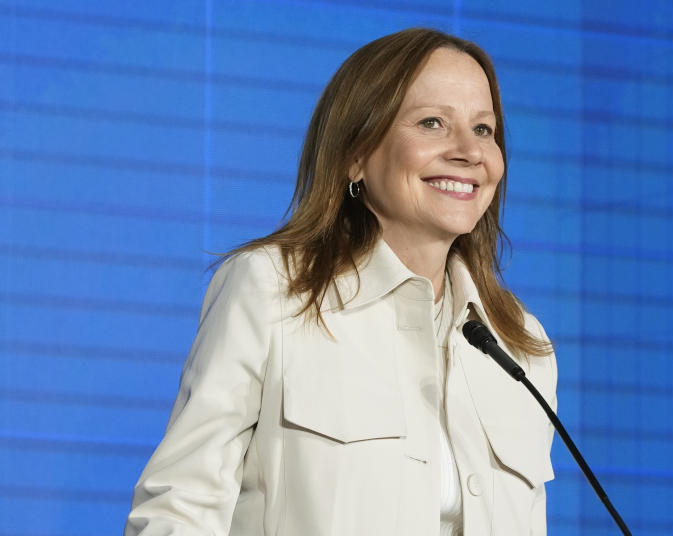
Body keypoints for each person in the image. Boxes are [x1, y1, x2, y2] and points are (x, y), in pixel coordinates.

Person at [124, 28, 558, 535]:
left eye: (484, 130)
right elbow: (179, 510)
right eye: (432, 123)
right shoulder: (271, 290)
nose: (469, 151)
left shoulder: (521, 345)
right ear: (356, 154)